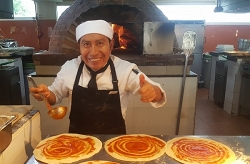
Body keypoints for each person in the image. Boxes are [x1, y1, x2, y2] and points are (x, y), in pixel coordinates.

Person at [30, 20, 167, 134]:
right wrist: (47, 95)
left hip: (113, 144)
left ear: (111, 45)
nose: (93, 52)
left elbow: (157, 94)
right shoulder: (69, 68)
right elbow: (55, 96)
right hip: (78, 143)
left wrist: (153, 92)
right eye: (86, 44)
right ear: (79, 47)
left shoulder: (126, 69)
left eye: (100, 43)